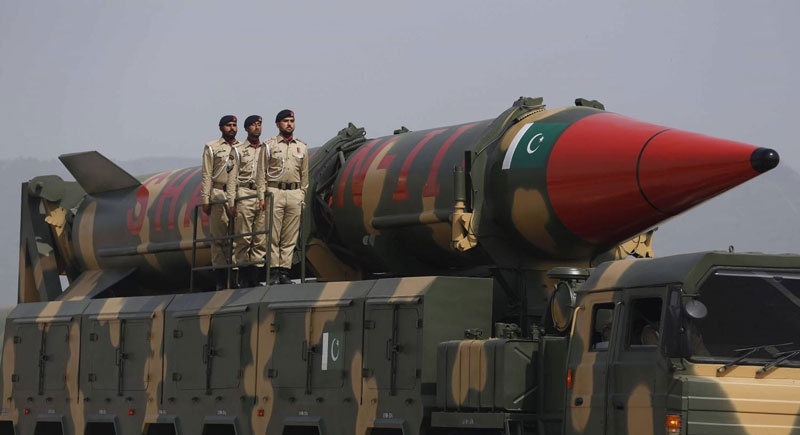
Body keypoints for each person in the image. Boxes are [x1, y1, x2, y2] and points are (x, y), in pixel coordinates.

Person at [262, 109, 308, 284]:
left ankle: (284, 271)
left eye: (291, 121)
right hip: (275, 191)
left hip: (294, 193)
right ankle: (274, 271)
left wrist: (302, 194)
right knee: (273, 234)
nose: (289, 124)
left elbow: (304, 175)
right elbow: (261, 174)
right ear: (278, 124)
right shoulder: (269, 146)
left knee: (290, 235)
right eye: (285, 121)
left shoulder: (301, 147)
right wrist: (262, 196)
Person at [200, 115, 240, 290]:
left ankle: (235, 277)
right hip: (218, 193)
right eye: (228, 125)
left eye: (234, 125)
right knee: (219, 238)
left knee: (237, 238)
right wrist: (205, 198)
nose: (232, 128)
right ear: (221, 128)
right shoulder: (212, 147)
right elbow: (206, 174)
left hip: (237, 194)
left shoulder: (242, 148)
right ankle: (221, 279)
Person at [232, 115, 266, 287]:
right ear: (246, 128)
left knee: (260, 238)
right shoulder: (238, 150)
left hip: (262, 194)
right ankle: (243, 275)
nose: (257, 127)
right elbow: (232, 178)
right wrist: (232, 201)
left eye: (259, 124)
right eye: (253, 125)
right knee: (244, 237)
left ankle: (255, 276)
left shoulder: (266, 149)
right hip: (245, 192)